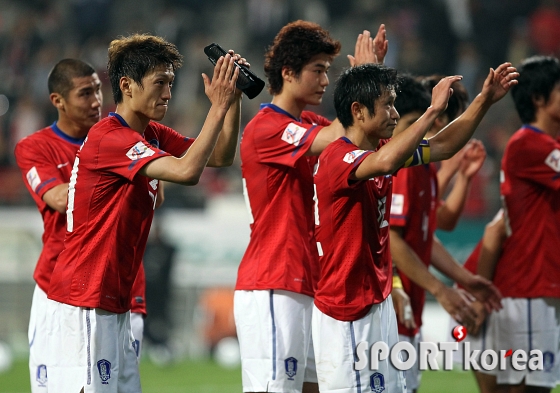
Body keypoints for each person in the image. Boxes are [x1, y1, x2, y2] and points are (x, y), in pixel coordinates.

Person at [44, 34, 244, 393]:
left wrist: (232, 100)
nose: (168, 93)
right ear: (127, 86)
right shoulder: (111, 138)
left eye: (171, 83)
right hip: (85, 299)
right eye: (160, 83)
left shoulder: (148, 133)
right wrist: (217, 106)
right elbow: (187, 172)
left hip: (113, 299)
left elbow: (219, 157)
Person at [312, 62, 518, 393]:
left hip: (377, 304)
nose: (394, 113)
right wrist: (432, 109)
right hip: (345, 309)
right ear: (358, 111)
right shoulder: (338, 158)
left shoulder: (379, 152)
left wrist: (485, 100)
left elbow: (444, 145)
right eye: (388, 105)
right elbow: (388, 162)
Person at [234, 21, 387, 393]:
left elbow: (358, 134)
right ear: (288, 73)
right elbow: (341, 133)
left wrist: (373, 81)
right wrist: (362, 78)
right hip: (274, 281)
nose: (325, 80)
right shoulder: (266, 127)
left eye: (328, 71)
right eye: (318, 70)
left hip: (313, 282)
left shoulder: (310, 123)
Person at [388, 74, 502, 393]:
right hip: (392, 304)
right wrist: (441, 289)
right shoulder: (403, 167)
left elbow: (431, 228)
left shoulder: (421, 167)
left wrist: (463, 280)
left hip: (411, 305)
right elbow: (394, 239)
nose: (462, 134)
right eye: (459, 121)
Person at [475, 55, 560, 393]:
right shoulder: (529, 144)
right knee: (526, 388)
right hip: (527, 287)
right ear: (538, 98)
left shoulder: (544, 148)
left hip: (541, 286)